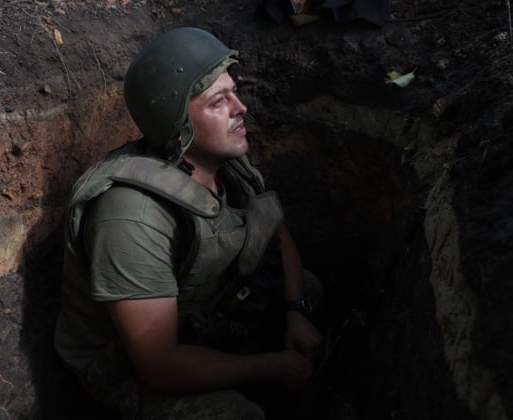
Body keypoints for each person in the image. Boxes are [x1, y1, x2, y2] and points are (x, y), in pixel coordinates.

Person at [53, 27, 323, 419]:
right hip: (132, 368)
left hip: (205, 312)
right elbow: (158, 364)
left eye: (235, 91)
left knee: (309, 287)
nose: (241, 107)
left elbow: (275, 235)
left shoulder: (224, 163)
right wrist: (273, 365)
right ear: (178, 125)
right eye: (219, 101)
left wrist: (297, 309)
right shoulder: (133, 218)